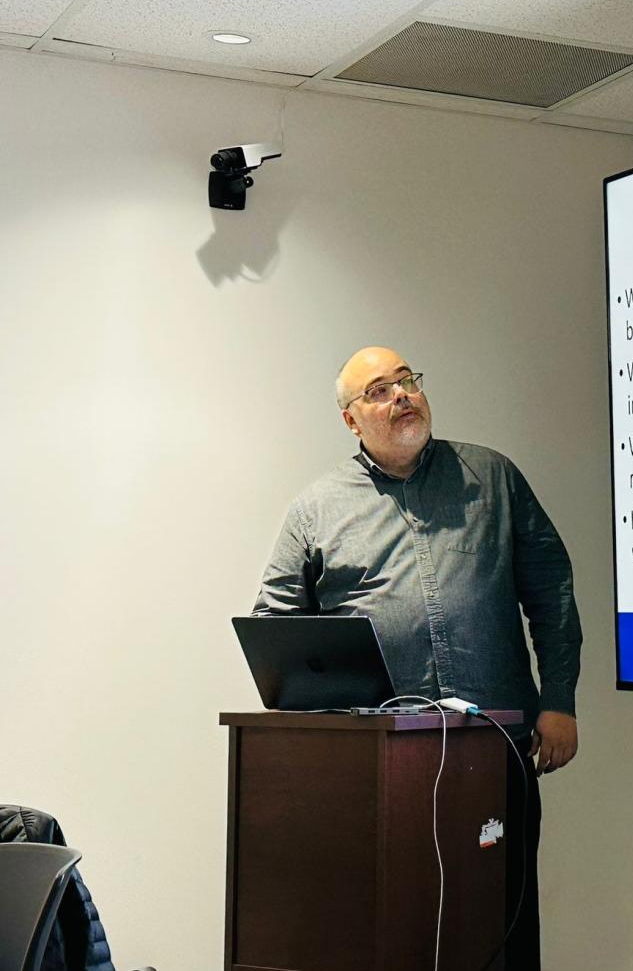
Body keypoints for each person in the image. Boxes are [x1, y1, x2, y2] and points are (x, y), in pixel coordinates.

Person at [253, 345, 582, 970]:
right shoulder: (316, 510)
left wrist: (559, 700)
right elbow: (274, 627)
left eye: (407, 380)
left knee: (501, 926)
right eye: (379, 389)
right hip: (376, 763)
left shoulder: (493, 479)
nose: (401, 394)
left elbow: (553, 592)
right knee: (387, 927)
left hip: (496, 743)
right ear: (352, 420)